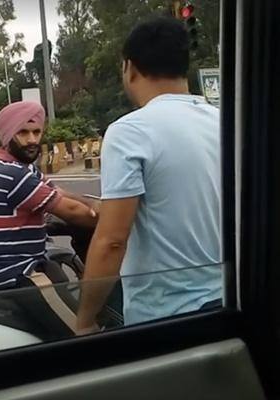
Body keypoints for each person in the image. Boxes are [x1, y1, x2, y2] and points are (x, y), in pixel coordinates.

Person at [76, 18, 222, 334]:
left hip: (166, 317)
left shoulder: (129, 131)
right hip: (228, 302)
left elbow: (112, 241)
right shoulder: (223, 121)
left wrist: (85, 319)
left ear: (129, 68)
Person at [0, 101, 98, 291]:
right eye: (23, 133)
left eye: (36, 132)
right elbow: (73, 212)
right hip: (9, 271)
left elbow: (59, 193)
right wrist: (115, 218)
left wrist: (96, 203)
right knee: (75, 320)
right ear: (7, 135)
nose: (32, 140)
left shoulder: (21, 166)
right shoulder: (12, 174)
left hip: (20, 261)